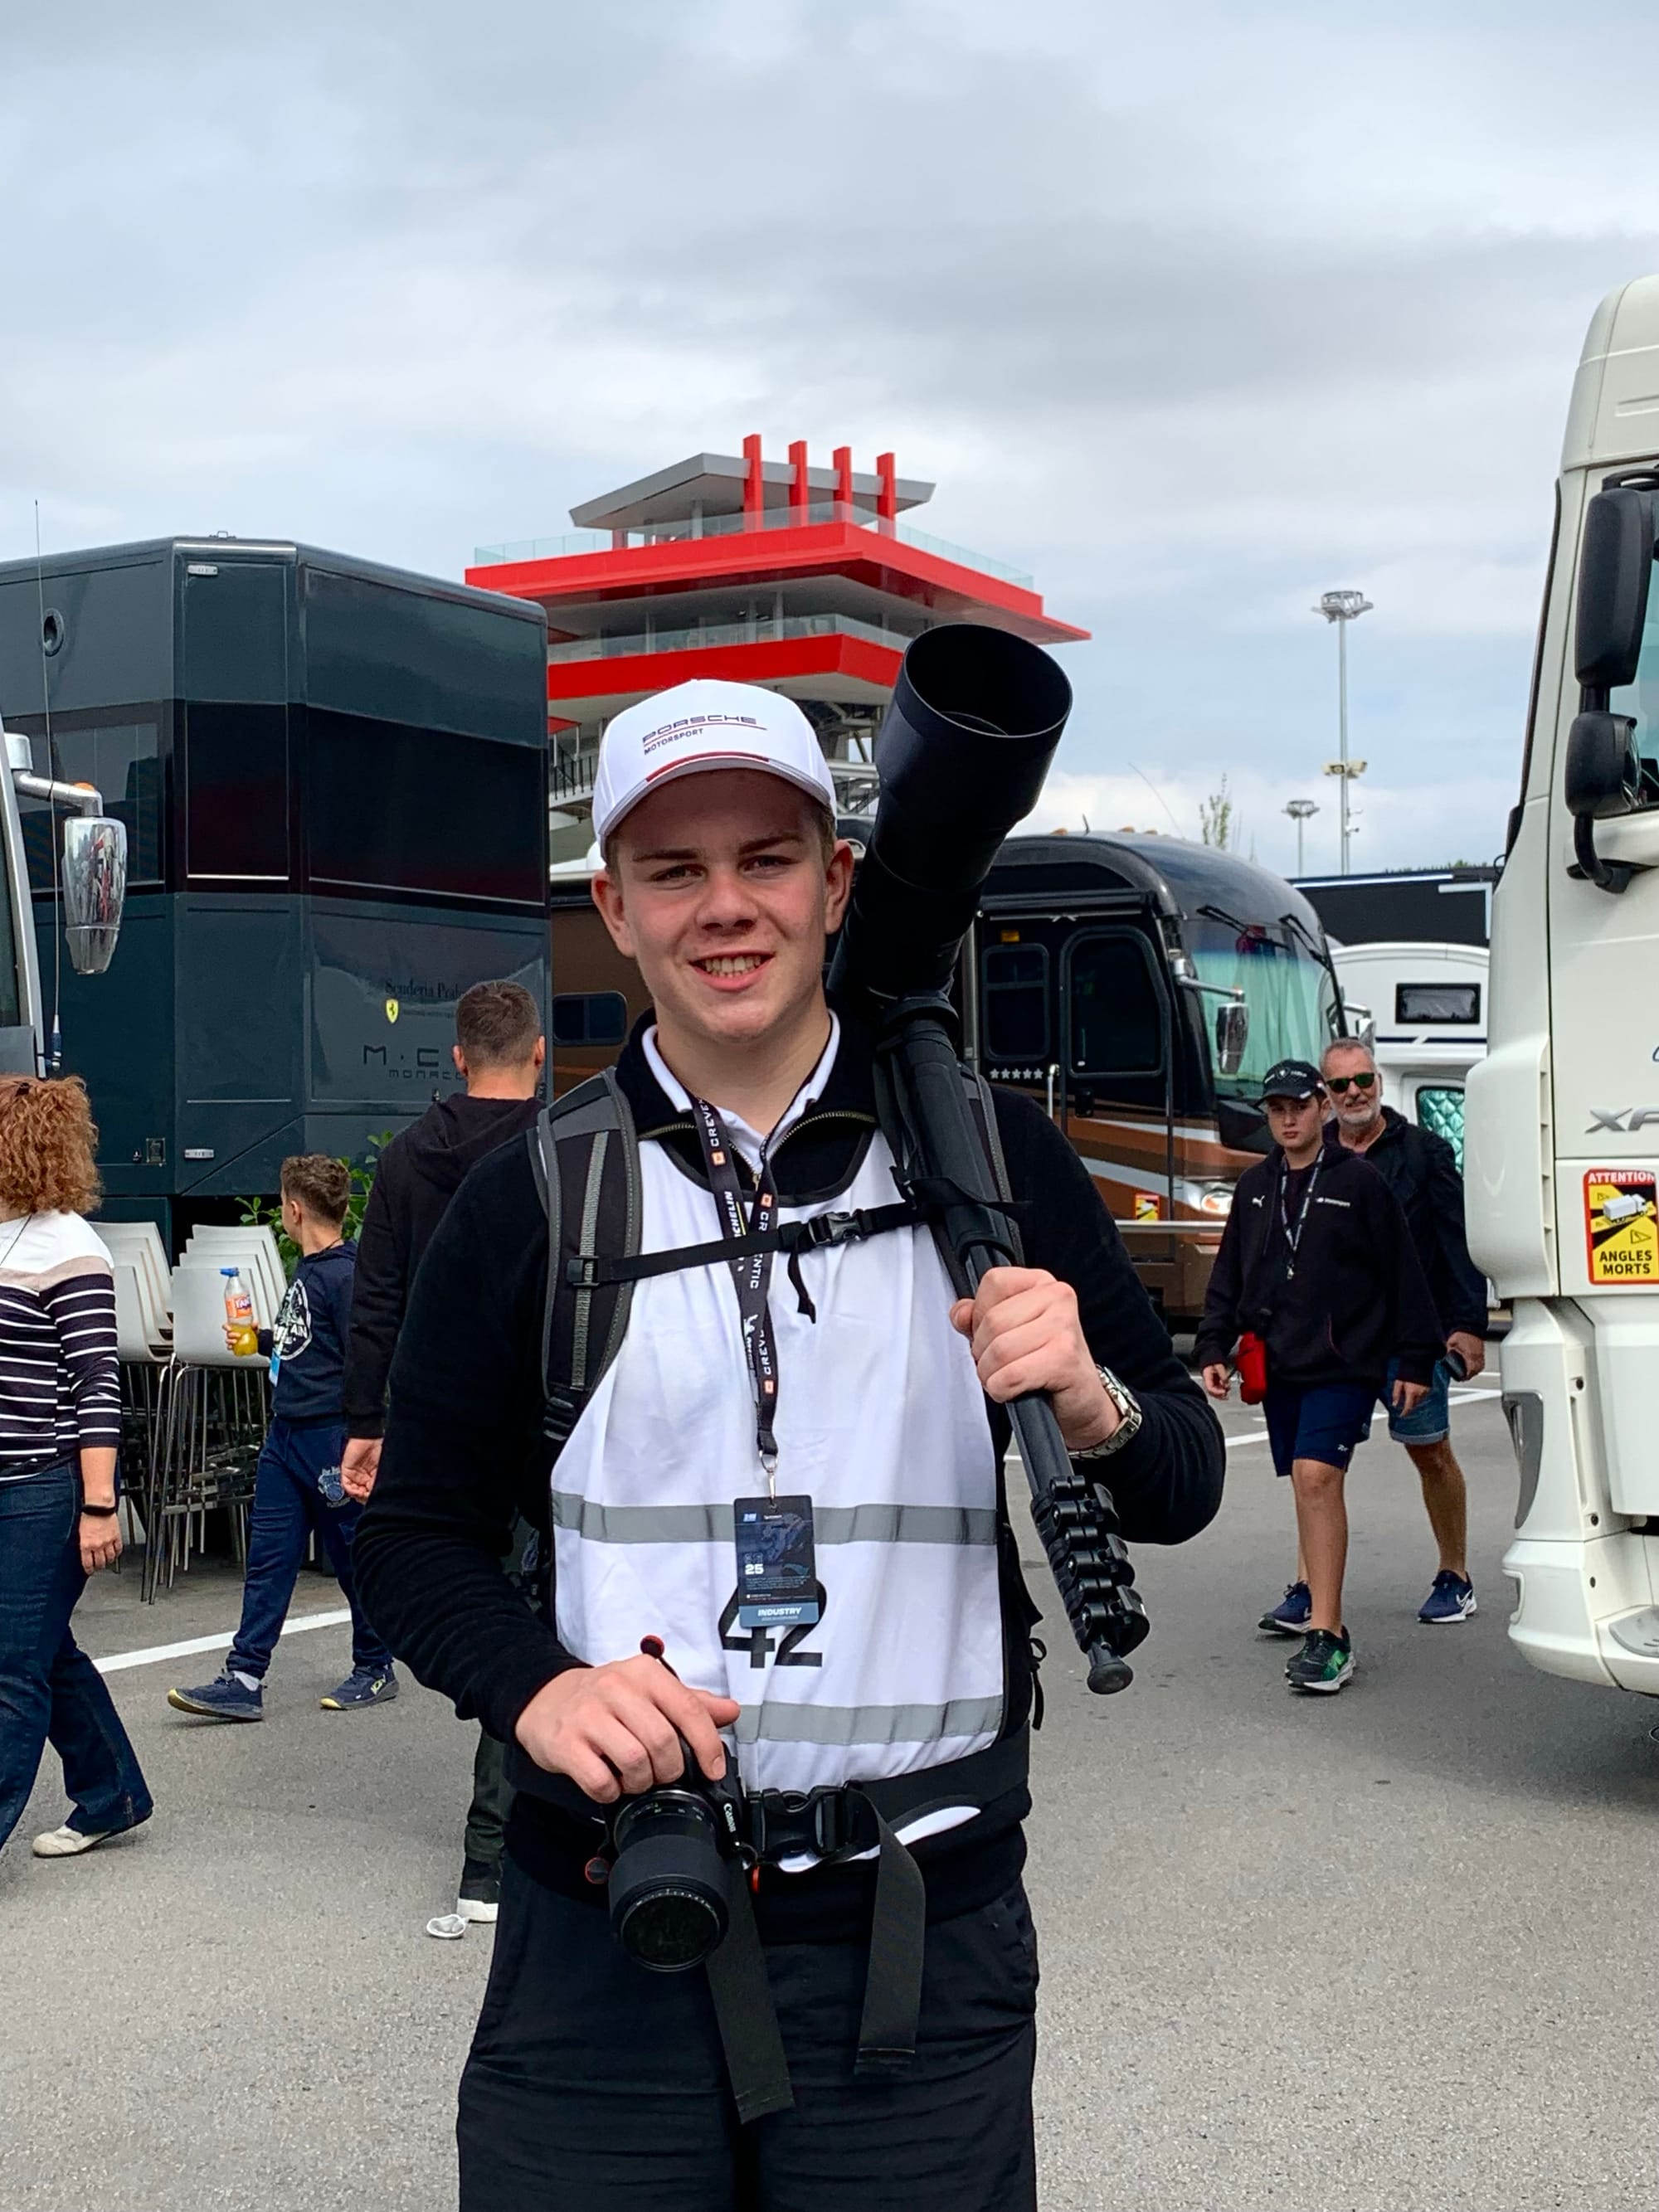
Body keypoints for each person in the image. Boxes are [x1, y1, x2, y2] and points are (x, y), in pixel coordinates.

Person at [354, 676, 1225, 2212]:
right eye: (674, 869)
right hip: (610, 1925)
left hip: (920, 1939)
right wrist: (541, 1688)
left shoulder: (996, 1163)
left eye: (765, 858)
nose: (725, 906)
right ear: (614, 908)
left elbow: (1182, 1480)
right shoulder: (533, 1197)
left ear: (836, 882)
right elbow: (412, 1539)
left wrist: (1094, 1401)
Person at [339, 977, 547, 1937]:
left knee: (479, 1614)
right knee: (550, 1619)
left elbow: (375, 1297)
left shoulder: (406, 1159)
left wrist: (365, 1422)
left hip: (442, 1424)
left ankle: (491, 1863)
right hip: (548, 1422)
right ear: (536, 1053)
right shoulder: (567, 1147)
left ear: (458, 1057)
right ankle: (501, 1852)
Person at [1194, 1058, 1443, 1694]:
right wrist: (1213, 1344)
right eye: (1277, 1109)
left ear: (1321, 1109)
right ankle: (1314, 1599)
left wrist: (1417, 1357)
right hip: (1279, 1362)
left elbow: (1404, 1271)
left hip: (1344, 1361)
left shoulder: (1358, 1182)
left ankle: (1329, 1635)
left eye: (1299, 1106)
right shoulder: (1255, 1186)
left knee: (1316, 1476)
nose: (1289, 1119)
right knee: (1306, 1486)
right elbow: (1229, 1273)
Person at [168, 1156, 397, 1721]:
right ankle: (244, 1676)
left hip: (328, 1436)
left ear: (294, 1210)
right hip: (288, 1432)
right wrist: (266, 1339)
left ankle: (375, 1664)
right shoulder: (316, 1270)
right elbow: (316, 1342)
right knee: (269, 1557)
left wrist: (363, 1432)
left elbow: (365, 1358)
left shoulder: (341, 1276)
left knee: (351, 1557)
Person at [0, 1077, 152, 1862]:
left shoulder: (70, 1247)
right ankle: (113, 1791)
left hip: (43, 1484)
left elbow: (97, 1382)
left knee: (11, 1666)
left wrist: (100, 1505)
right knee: (40, 1648)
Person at [1321, 1038, 1488, 1623]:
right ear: (1326, 1094)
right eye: (1340, 1084)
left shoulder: (1423, 1152)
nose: (1354, 1093)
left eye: (1363, 1079)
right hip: (1335, 1340)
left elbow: (1455, 1241)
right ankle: (1309, 1587)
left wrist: (1467, 1325)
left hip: (1409, 1337)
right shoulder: (1314, 1154)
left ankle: (1455, 1575)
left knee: (1430, 1450)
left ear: (1378, 1081)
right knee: (1317, 1466)